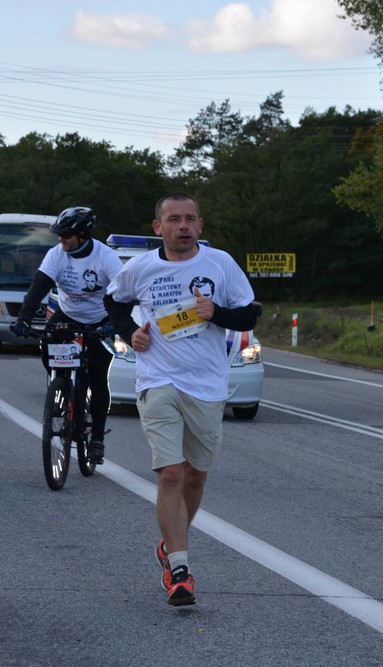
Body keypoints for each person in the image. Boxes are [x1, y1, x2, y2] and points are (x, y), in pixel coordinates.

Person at [104, 192, 260, 607]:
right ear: (158, 227)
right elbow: (113, 301)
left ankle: (169, 542)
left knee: (196, 476)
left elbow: (249, 314)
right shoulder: (140, 268)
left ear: (200, 225)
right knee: (170, 474)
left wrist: (217, 313)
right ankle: (180, 570)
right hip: (158, 380)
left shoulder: (220, 264)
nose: (183, 226)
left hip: (207, 386)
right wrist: (129, 333)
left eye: (190, 219)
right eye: (174, 219)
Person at [12, 207, 123, 465]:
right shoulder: (57, 254)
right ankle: (61, 386)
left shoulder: (106, 257)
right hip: (68, 314)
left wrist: (114, 323)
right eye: (59, 234)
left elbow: (123, 293)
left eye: (66, 235)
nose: (61, 239)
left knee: (97, 377)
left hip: (101, 318)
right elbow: (39, 286)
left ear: (82, 235)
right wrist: (24, 318)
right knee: (46, 343)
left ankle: (97, 439)